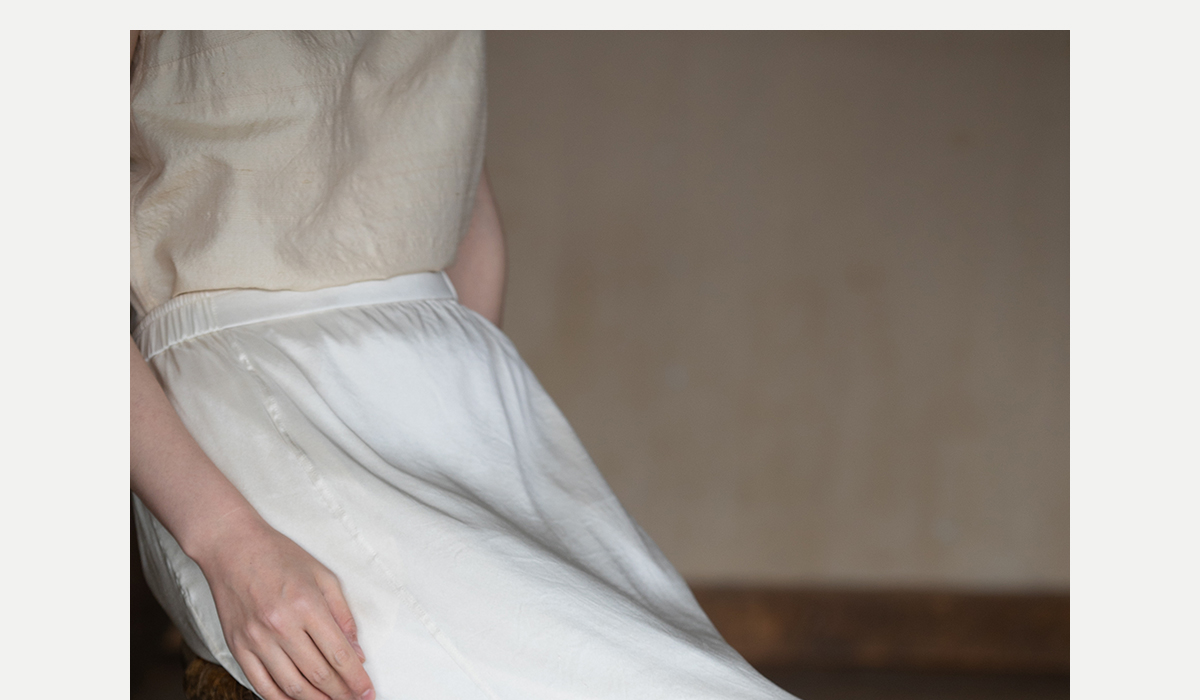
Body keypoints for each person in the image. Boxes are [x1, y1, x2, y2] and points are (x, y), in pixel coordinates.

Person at [130, 30, 795, 700]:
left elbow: (452, 180)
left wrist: (479, 419)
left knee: (656, 657)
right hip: (255, 394)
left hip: (457, 383)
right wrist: (227, 542)